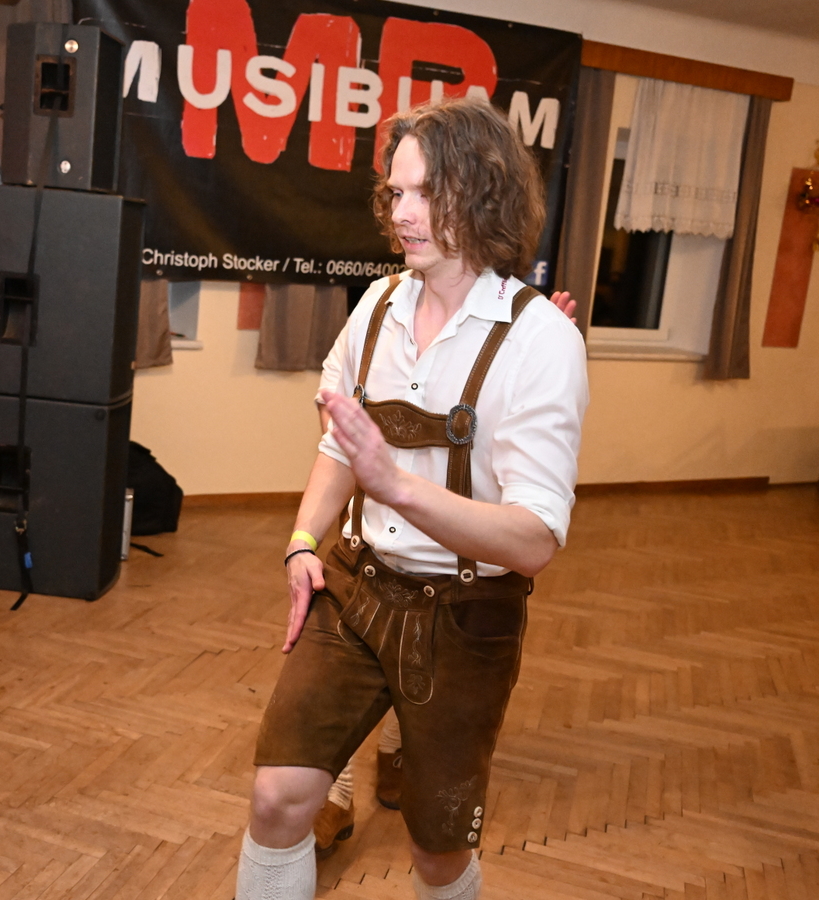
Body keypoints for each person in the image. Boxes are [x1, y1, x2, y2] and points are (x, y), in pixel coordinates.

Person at [237, 97, 588, 900]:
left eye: (427, 192)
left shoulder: (541, 341)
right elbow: (340, 446)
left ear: (486, 190)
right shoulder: (377, 307)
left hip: (466, 621)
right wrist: (303, 540)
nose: (402, 213)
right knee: (276, 798)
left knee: (436, 853)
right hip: (357, 588)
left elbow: (534, 540)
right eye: (396, 193)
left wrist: (395, 483)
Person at [308, 292, 580, 858]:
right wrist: (306, 535)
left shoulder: (531, 333)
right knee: (333, 693)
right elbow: (335, 423)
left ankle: (394, 751)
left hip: (458, 578)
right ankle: (337, 791)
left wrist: (531, 354)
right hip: (369, 553)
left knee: (417, 671)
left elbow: (530, 519)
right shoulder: (380, 307)